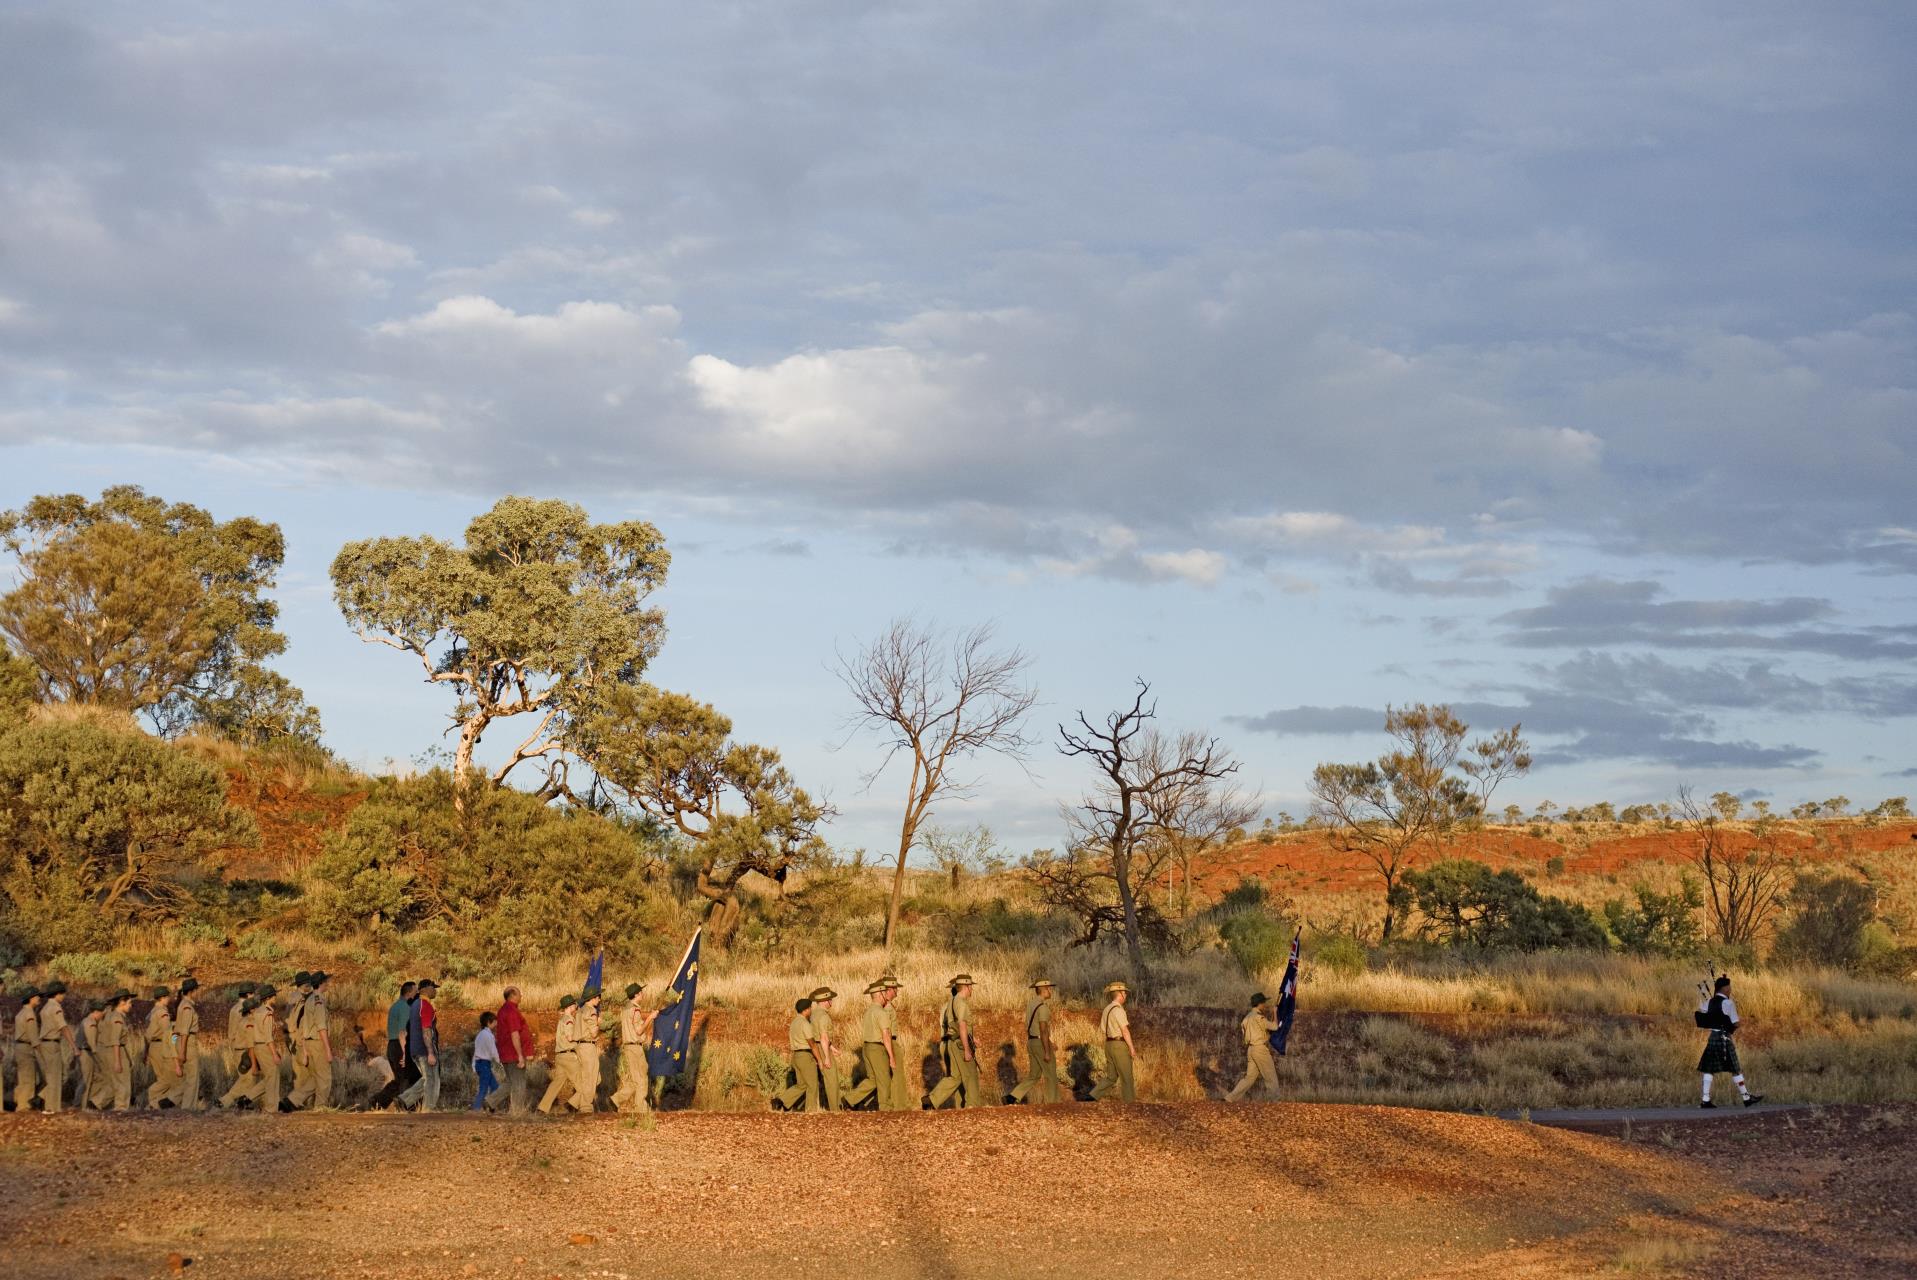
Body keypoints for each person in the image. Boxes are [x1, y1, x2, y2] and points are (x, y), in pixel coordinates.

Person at [1698, 975, 1764, 1108]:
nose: (1730, 990)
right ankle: (1746, 1098)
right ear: (1725, 989)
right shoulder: (1728, 1003)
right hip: (1724, 1039)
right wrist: (1727, 1022)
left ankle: (1705, 1099)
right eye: (1729, 987)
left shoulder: (1709, 1002)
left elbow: (1703, 1012)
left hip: (1712, 1038)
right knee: (1735, 1068)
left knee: (1709, 1069)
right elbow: (1736, 1023)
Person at [367, 981, 420, 1110]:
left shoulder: (395, 1006)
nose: (417, 993)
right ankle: (406, 1106)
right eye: (415, 991)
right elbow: (403, 1031)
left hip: (392, 1045)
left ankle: (378, 1101)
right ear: (409, 993)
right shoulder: (405, 1008)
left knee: (400, 1078)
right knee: (407, 1078)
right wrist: (404, 1052)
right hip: (400, 1045)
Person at [290, 971, 336, 1110]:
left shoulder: (309, 999)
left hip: (308, 1043)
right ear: (321, 983)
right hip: (317, 1043)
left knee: (314, 1078)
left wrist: (304, 1048)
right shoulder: (318, 1000)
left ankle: (292, 1100)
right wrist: (328, 1049)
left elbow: (303, 1025)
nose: (328, 984)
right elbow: (322, 1027)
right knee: (324, 1078)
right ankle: (320, 1108)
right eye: (326, 982)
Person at [939, 974, 985, 1109]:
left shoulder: (951, 1004)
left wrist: (972, 1038)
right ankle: (972, 1106)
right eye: (971, 987)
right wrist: (967, 1048)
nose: (972, 990)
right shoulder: (960, 1004)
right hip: (956, 1042)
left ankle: (960, 1107)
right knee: (969, 1076)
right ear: (967, 987)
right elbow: (961, 1026)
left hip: (953, 1042)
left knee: (957, 1077)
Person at [1225, 992, 1280, 1102]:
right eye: (1263, 1002)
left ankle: (1230, 1098)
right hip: (1260, 1049)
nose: (1265, 1005)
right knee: (1270, 1076)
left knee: (1249, 1078)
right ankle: (1274, 1102)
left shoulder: (1246, 1018)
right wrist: (1275, 1013)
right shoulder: (1259, 1018)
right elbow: (1275, 1027)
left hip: (1250, 1050)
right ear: (1259, 1004)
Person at [611, 983, 657, 1114]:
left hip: (628, 1047)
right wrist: (650, 1018)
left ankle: (615, 1100)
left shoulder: (626, 1009)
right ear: (636, 995)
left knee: (635, 1080)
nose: (643, 994)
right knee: (642, 1079)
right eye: (641, 992)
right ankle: (641, 1109)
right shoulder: (635, 1010)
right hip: (635, 1048)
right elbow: (639, 1030)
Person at [486, 987, 532, 1114]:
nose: (521, 995)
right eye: (519, 993)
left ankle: (491, 1101)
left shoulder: (503, 1010)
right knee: (519, 1083)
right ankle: (517, 1112)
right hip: (513, 1053)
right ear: (513, 995)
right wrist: (520, 1055)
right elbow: (514, 1034)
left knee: (510, 1082)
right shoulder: (512, 1011)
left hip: (505, 1052)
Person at [398, 978, 441, 1111]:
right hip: (424, 1048)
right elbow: (426, 1030)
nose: (435, 991)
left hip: (415, 1048)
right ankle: (428, 1110)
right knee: (432, 1080)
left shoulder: (415, 1004)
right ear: (426, 989)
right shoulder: (425, 1005)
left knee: (426, 1078)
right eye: (433, 987)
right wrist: (430, 1053)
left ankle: (404, 1100)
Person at [1090, 981, 1136, 1103]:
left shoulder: (1106, 1009)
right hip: (1119, 1045)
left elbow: (1103, 1029)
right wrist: (1131, 1048)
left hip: (1108, 1045)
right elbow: (1125, 1031)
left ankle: (1093, 1096)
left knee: (1111, 1077)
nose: (1126, 995)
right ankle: (1130, 1105)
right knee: (1127, 1077)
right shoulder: (1119, 1010)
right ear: (1120, 994)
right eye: (1124, 993)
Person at [1020, 979, 1062, 1104]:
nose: (1050, 991)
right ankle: (1052, 1103)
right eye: (1049, 989)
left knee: (1034, 1075)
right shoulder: (1043, 1007)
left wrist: (1050, 1042)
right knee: (1050, 1075)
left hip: (1031, 1042)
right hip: (1040, 1044)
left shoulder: (1031, 1004)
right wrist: (1047, 1051)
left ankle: (1013, 1095)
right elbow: (1043, 1030)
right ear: (1043, 990)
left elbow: (1033, 1027)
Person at [536, 994, 579, 1114]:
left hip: (560, 1056)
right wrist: (581, 1038)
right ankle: (574, 1105)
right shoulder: (570, 1020)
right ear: (570, 1006)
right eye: (574, 1004)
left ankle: (542, 1108)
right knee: (582, 1083)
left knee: (556, 1083)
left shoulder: (561, 1020)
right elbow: (570, 1037)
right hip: (569, 1056)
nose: (576, 1006)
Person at [858, 980, 896, 1111]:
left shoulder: (868, 1011)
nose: (887, 994)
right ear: (880, 994)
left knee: (872, 1079)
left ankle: (850, 1099)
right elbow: (886, 1035)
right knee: (884, 1079)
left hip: (867, 1047)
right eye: (885, 992)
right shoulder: (881, 1012)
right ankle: (885, 1107)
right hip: (877, 1048)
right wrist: (891, 1057)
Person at [36, 980, 73, 1114]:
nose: (63, 996)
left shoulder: (45, 1008)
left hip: (45, 1043)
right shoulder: (56, 1008)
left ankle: (44, 1098)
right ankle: (50, 1107)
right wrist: (73, 1046)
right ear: (57, 994)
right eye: (62, 993)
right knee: (55, 1076)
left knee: (54, 1074)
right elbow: (63, 1027)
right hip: (52, 1044)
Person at [170, 978, 204, 1110]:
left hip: (182, 1042)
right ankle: (188, 1109)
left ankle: (170, 1101)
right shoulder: (187, 1007)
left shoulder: (183, 1005)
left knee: (185, 1079)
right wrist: (182, 1052)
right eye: (196, 990)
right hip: (187, 1043)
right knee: (192, 1078)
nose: (197, 992)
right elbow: (184, 1032)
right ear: (191, 991)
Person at [142, 986, 176, 1109]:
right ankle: (153, 1097)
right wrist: (175, 1044)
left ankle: (156, 1104)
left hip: (152, 1047)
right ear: (162, 998)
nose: (169, 999)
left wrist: (145, 1052)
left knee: (161, 1077)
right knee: (167, 1078)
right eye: (167, 997)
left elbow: (146, 1035)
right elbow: (169, 1033)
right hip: (161, 1046)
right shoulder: (162, 1013)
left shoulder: (151, 1012)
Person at [808, 987, 842, 1112]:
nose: (831, 1002)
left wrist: (831, 1047)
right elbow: (823, 1037)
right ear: (824, 1001)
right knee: (831, 1078)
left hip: (816, 1047)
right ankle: (835, 1109)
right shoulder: (823, 1016)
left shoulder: (814, 1014)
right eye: (829, 999)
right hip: (822, 1049)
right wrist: (827, 1056)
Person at [570, 987, 604, 1112]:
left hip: (579, 1046)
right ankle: (585, 1107)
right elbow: (594, 1033)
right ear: (592, 998)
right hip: (588, 1046)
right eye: (598, 997)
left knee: (593, 1077)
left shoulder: (580, 1010)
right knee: (591, 1077)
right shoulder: (591, 1011)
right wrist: (598, 1023)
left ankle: (574, 1102)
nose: (599, 999)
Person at [788, 996, 824, 1112]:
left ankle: (782, 1101)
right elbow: (812, 1044)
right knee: (812, 1085)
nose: (811, 1010)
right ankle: (811, 1110)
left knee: (801, 1085)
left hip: (796, 1056)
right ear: (806, 1010)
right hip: (805, 1055)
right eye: (810, 1008)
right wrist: (819, 1060)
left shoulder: (794, 1023)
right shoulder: (805, 1024)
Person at [881, 976, 911, 1110]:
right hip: (890, 1041)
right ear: (890, 989)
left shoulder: (885, 1005)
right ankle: (900, 1105)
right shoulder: (887, 1007)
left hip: (889, 1041)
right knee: (897, 1074)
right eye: (895, 988)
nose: (897, 991)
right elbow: (885, 1029)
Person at [10, 987, 40, 1112]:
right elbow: (33, 1035)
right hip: (26, 1047)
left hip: (19, 1047)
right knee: (28, 1077)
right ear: (31, 998)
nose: (39, 999)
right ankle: (23, 1106)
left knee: (22, 1077)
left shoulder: (21, 1013)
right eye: (36, 996)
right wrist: (39, 1050)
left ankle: (19, 1101)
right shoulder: (29, 1014)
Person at [77, 1000, 108, 1111]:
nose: (101, 1017)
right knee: (87, 1080)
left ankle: (82, 1103)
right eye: (101, 1014)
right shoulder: (91, 1023)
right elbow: (92, 1046)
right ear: (96, 1012)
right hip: (87, 1053)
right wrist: (101, 1062)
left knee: (89, 1079)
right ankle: (81, 1105)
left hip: (83, 1052)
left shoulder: (85, 1021)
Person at [223, 982, 256, 1077]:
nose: (253, 996)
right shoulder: (245, 1009)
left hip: (236, 1047)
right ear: (248, 994)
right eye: (252, 993)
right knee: (248, 1080)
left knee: (244, 1079)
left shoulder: (234, 1008)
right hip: (244, 1048)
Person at [470, 1012, 501, 1112]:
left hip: (480, 1064)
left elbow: (476, 1052)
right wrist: (500, 1061)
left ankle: (491, 1107)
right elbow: (493, 1051)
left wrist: (474, 1066)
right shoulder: (489, 1035)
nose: (496, 1023)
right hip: (484, 1064)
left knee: (495, 1086)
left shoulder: (479, 1035)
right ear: (489, 1022)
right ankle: (476, 1109)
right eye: (495, 1021)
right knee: (484, 1088)